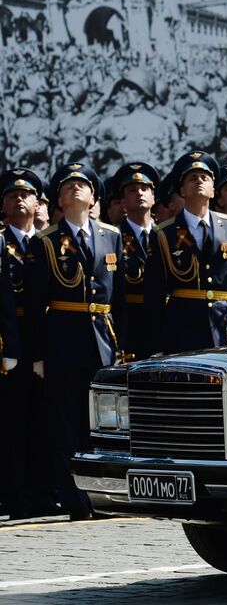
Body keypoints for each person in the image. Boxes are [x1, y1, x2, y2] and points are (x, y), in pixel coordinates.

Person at [29, 163, 125, 519]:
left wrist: (124, 347)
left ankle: (100, 495)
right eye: (67, 185)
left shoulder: (110, 236)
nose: (74, 189)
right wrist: (37, 354)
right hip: (62, 341)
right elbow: (37, 302)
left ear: (93, 196)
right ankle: (74, 499)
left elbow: (121, 300)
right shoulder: (46, 241)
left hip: (102, 340)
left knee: (97, 423)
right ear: (58, 198)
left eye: (81, 184)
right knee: (66, 424)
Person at [150, 151, 227, 353]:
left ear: (213, 190)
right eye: (192, 178)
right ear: (182, 190)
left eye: (205, 178)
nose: (199, 181)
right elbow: (155, 293)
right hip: (181, 327)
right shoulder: (164, 233)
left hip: (224, 325)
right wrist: (156, 343)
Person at [0, 169, 56, 520]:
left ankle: (44, 491)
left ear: (39, 203)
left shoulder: (50, 240)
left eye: (26, 194)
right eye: (10, 195)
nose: (19, 199)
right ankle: (15, 493)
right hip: (10, 340)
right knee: (12, 422)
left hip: (46, 341)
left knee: (45, 421)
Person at [113, 162, 161, 359]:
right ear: (123, 202)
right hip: (129, 322)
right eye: (132, 190)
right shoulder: (112, 236)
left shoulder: (168, 235)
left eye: (144, 189)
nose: (139, 193)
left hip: (162, 323)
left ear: (154, 198)